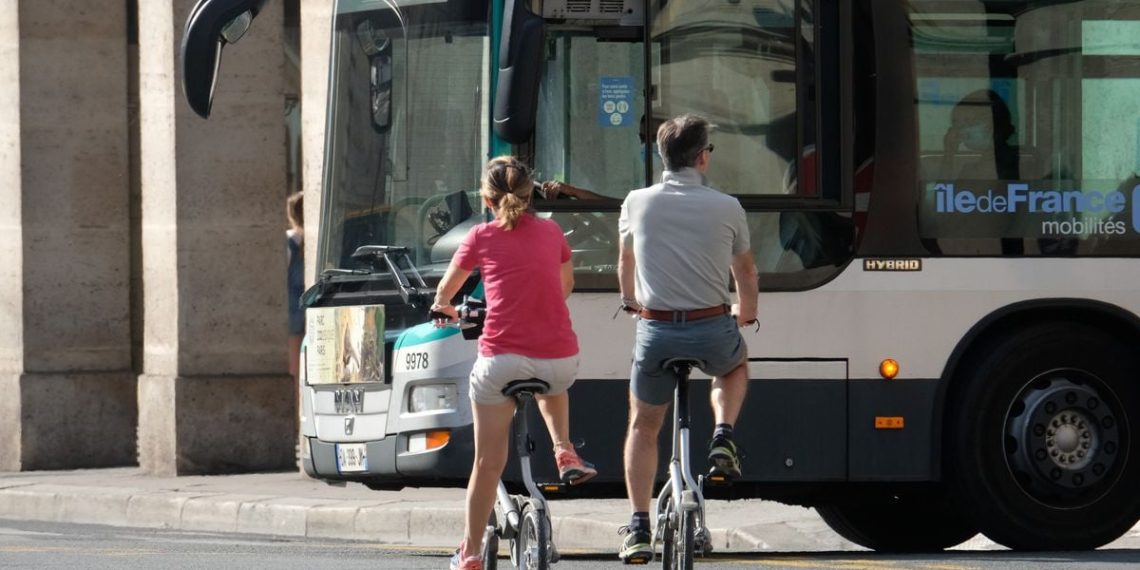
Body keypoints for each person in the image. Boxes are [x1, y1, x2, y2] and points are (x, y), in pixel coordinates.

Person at [434, 156, 597, 570]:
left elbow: (446, 291)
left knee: (487, 463)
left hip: (500, 362)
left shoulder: (480, 236)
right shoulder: (552, 232)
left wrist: (443, 307)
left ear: (487, 199)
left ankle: (469, 552)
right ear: (532, 195)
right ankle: (564, 450)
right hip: (560, 358)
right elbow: (565, 287)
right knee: (552, 379)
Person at [615, 114, 759, 564]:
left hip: (656, 330)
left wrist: (632, 302)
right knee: (734, 364)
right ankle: (722, 433)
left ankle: (638, 526)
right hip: (711, 327)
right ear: (701, 158)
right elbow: (745, 272)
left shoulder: (636, 202)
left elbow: (625, 267)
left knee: (643, 425)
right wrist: (747, 313)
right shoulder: (727, 206)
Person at [286, 191, 305, 387]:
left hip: (292, 317)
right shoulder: (317, 238)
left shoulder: (289, 241)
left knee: (294, 370)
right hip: (309, 312)